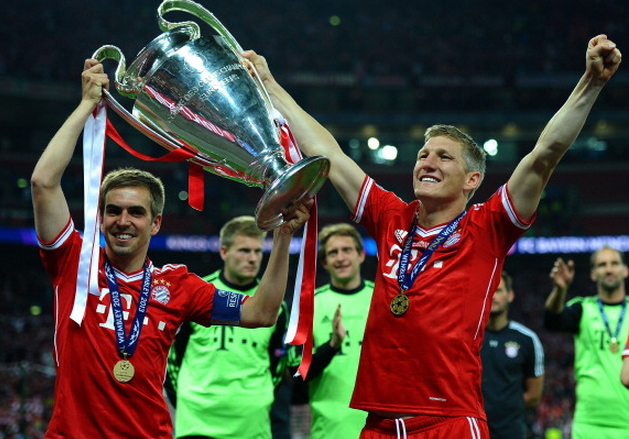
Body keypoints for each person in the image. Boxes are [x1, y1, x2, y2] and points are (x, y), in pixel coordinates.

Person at [241, 33, 622, 438]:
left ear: (472, 179)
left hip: (449, 421)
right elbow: (330, 155)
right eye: (423, 154)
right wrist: (270, 85)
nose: (428, 160)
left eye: (444, 156)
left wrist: (591, 83)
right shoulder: (390, 216)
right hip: (379, 423)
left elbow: (545, 154)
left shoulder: (489, 226)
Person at [30, 58, 312, 439]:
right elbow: (43, 183)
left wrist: (282, 238)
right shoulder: (74, 264)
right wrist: (85, 107)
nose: (123, 220)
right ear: (100, 218)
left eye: (136, 212)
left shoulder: (177, 285)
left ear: (156, 222)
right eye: (112, 211)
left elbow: (261, 313)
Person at [165, 215, 291, 439]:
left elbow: (278, 366)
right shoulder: (197, 295)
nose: (252, 258)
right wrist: (188, 398)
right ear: (224, 252)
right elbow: (173, 359)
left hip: (251, 425)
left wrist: (256, 398)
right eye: (244, 250)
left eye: (257, 251)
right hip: (197, 423)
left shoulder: (275, 307)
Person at [293, 223, 374, 438]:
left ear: (361, 255)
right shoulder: (309, 306)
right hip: (329, 430)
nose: (340, 258)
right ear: (325, 262)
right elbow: (298, 375)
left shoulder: (382, 301)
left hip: (380, 426)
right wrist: (332, 346)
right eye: (333, 252)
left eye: (347, 250)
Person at [544, 247, 629, 438]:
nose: (608, 269)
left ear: (625, 270)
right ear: (593, 273)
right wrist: (560, 290)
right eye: (602, 264)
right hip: (589, 425)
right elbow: (551, 321)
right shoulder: (582, 308)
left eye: (614, 263)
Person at [480, 270, 545, 439]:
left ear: (510, 295)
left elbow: (533, 396)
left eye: (499, 290)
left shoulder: (527, 339)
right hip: (473, 428)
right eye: (490, 290)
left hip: (511, 432)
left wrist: (505, 408)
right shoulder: (468, 337)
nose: (493, 296)